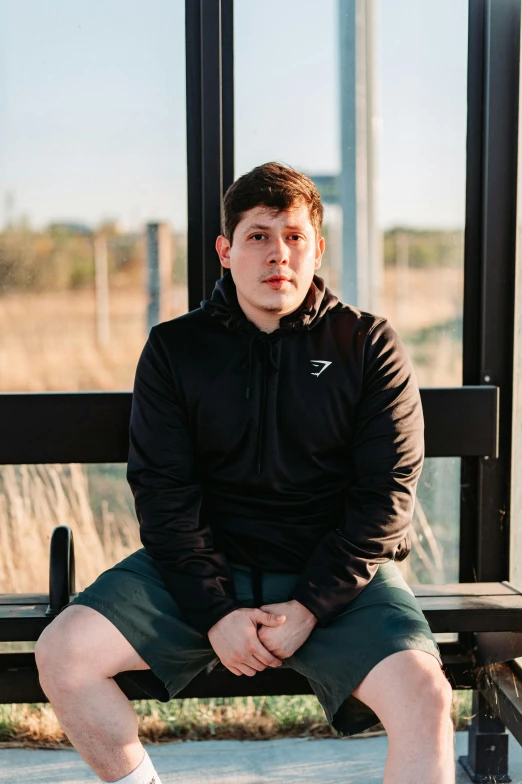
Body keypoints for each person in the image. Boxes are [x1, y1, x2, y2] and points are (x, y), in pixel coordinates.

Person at [35, 162, 455, 784]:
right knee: (62, 653)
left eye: (293, 237)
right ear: (226, 251)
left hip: (336, 575)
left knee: (426, 695)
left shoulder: (367, 344)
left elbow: (386, 496)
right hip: (207, 567)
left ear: (316, 250)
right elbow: (163, 491)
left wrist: (311, 606)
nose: (277, 254)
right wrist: (215, 612)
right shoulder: (176, 348)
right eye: (258, 236)